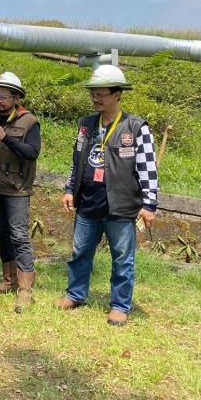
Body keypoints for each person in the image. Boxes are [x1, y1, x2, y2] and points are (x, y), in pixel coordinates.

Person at [56, 65, 158, 327]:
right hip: (88, 203)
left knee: (122, 258)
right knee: (80, 252)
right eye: (93, 93)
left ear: (117, 94)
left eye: (101, 93)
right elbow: (76, 161)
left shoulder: (135, 127)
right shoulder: (86, 125)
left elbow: (147, 168)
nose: (95, 98)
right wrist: (69, 189)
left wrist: (149, 205)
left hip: (121, 207)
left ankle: (120, 305)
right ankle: (75, 294)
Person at [0, 72, 41, 313]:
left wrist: (5, 138)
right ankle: (9, 281)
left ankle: (25, 290)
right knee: (2, 235)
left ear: (16, 97)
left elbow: (32, 153)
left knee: (19, 236)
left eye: (4, 96)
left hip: (17, 189)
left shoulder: (29, 122)